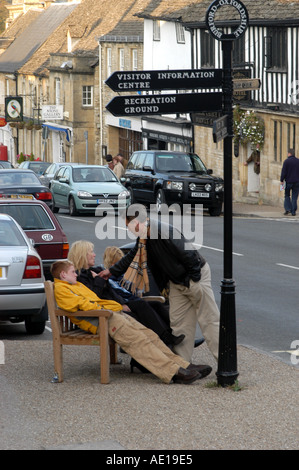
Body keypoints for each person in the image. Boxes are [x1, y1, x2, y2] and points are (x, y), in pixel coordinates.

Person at [51, 260, 212, 384]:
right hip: (102, 320)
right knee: (138, 342)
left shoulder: (75, 285)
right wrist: (103, 307)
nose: (76, 274)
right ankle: (172, 372)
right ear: (63, 275)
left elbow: (92, 300)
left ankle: (183, 365)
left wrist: (108, 306)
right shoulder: (62, 289)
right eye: (72, 272)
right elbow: (80, 305)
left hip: (111, 314)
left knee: (149, 335)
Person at [99, 210, 220, 363]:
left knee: (208, 320)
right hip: (177, 281)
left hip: (193, 278)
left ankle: (224, 362)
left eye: (128, 226)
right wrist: (110, 272)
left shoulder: (164, 231)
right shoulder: (144, 239)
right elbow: (131, 257)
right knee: (179, 324)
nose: (128, 230)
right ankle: (182, 366)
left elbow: (189, 254)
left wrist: (194, 281)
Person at [68, 240, 184, 350]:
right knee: (141, 309)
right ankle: (164, 340)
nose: (94, 255)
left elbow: (111, 292)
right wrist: (100, 281)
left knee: (155, 305)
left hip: (115, 305)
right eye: (91, 252)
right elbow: (94, 297)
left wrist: (122, 303)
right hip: (105, 313)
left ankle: (171, 334)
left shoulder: (96, 270)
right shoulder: (79, 277)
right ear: (82, 255)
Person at [280, 149, 299, 216]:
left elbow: (283, 172)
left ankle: (288, 209)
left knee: (287, 195)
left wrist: (281, 180)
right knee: (294, 196)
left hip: (288, 181)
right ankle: (293, 211)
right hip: (297, 182)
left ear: (289, 153)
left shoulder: (286, 161)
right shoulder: (298, 161)